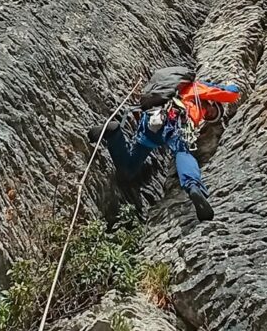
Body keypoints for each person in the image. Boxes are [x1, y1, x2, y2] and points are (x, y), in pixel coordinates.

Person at [90, 68, 240, 222]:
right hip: (173, 121)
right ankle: (193, 187)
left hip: (150, 124)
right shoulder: (195, 88)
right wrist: (233, 86)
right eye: (213, 110)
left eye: (211, 117)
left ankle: (114, 135)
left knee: (128, 170)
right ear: (211, 102)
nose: (209, 113)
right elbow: (231, 94)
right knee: (183, 152)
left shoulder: (168, 94)